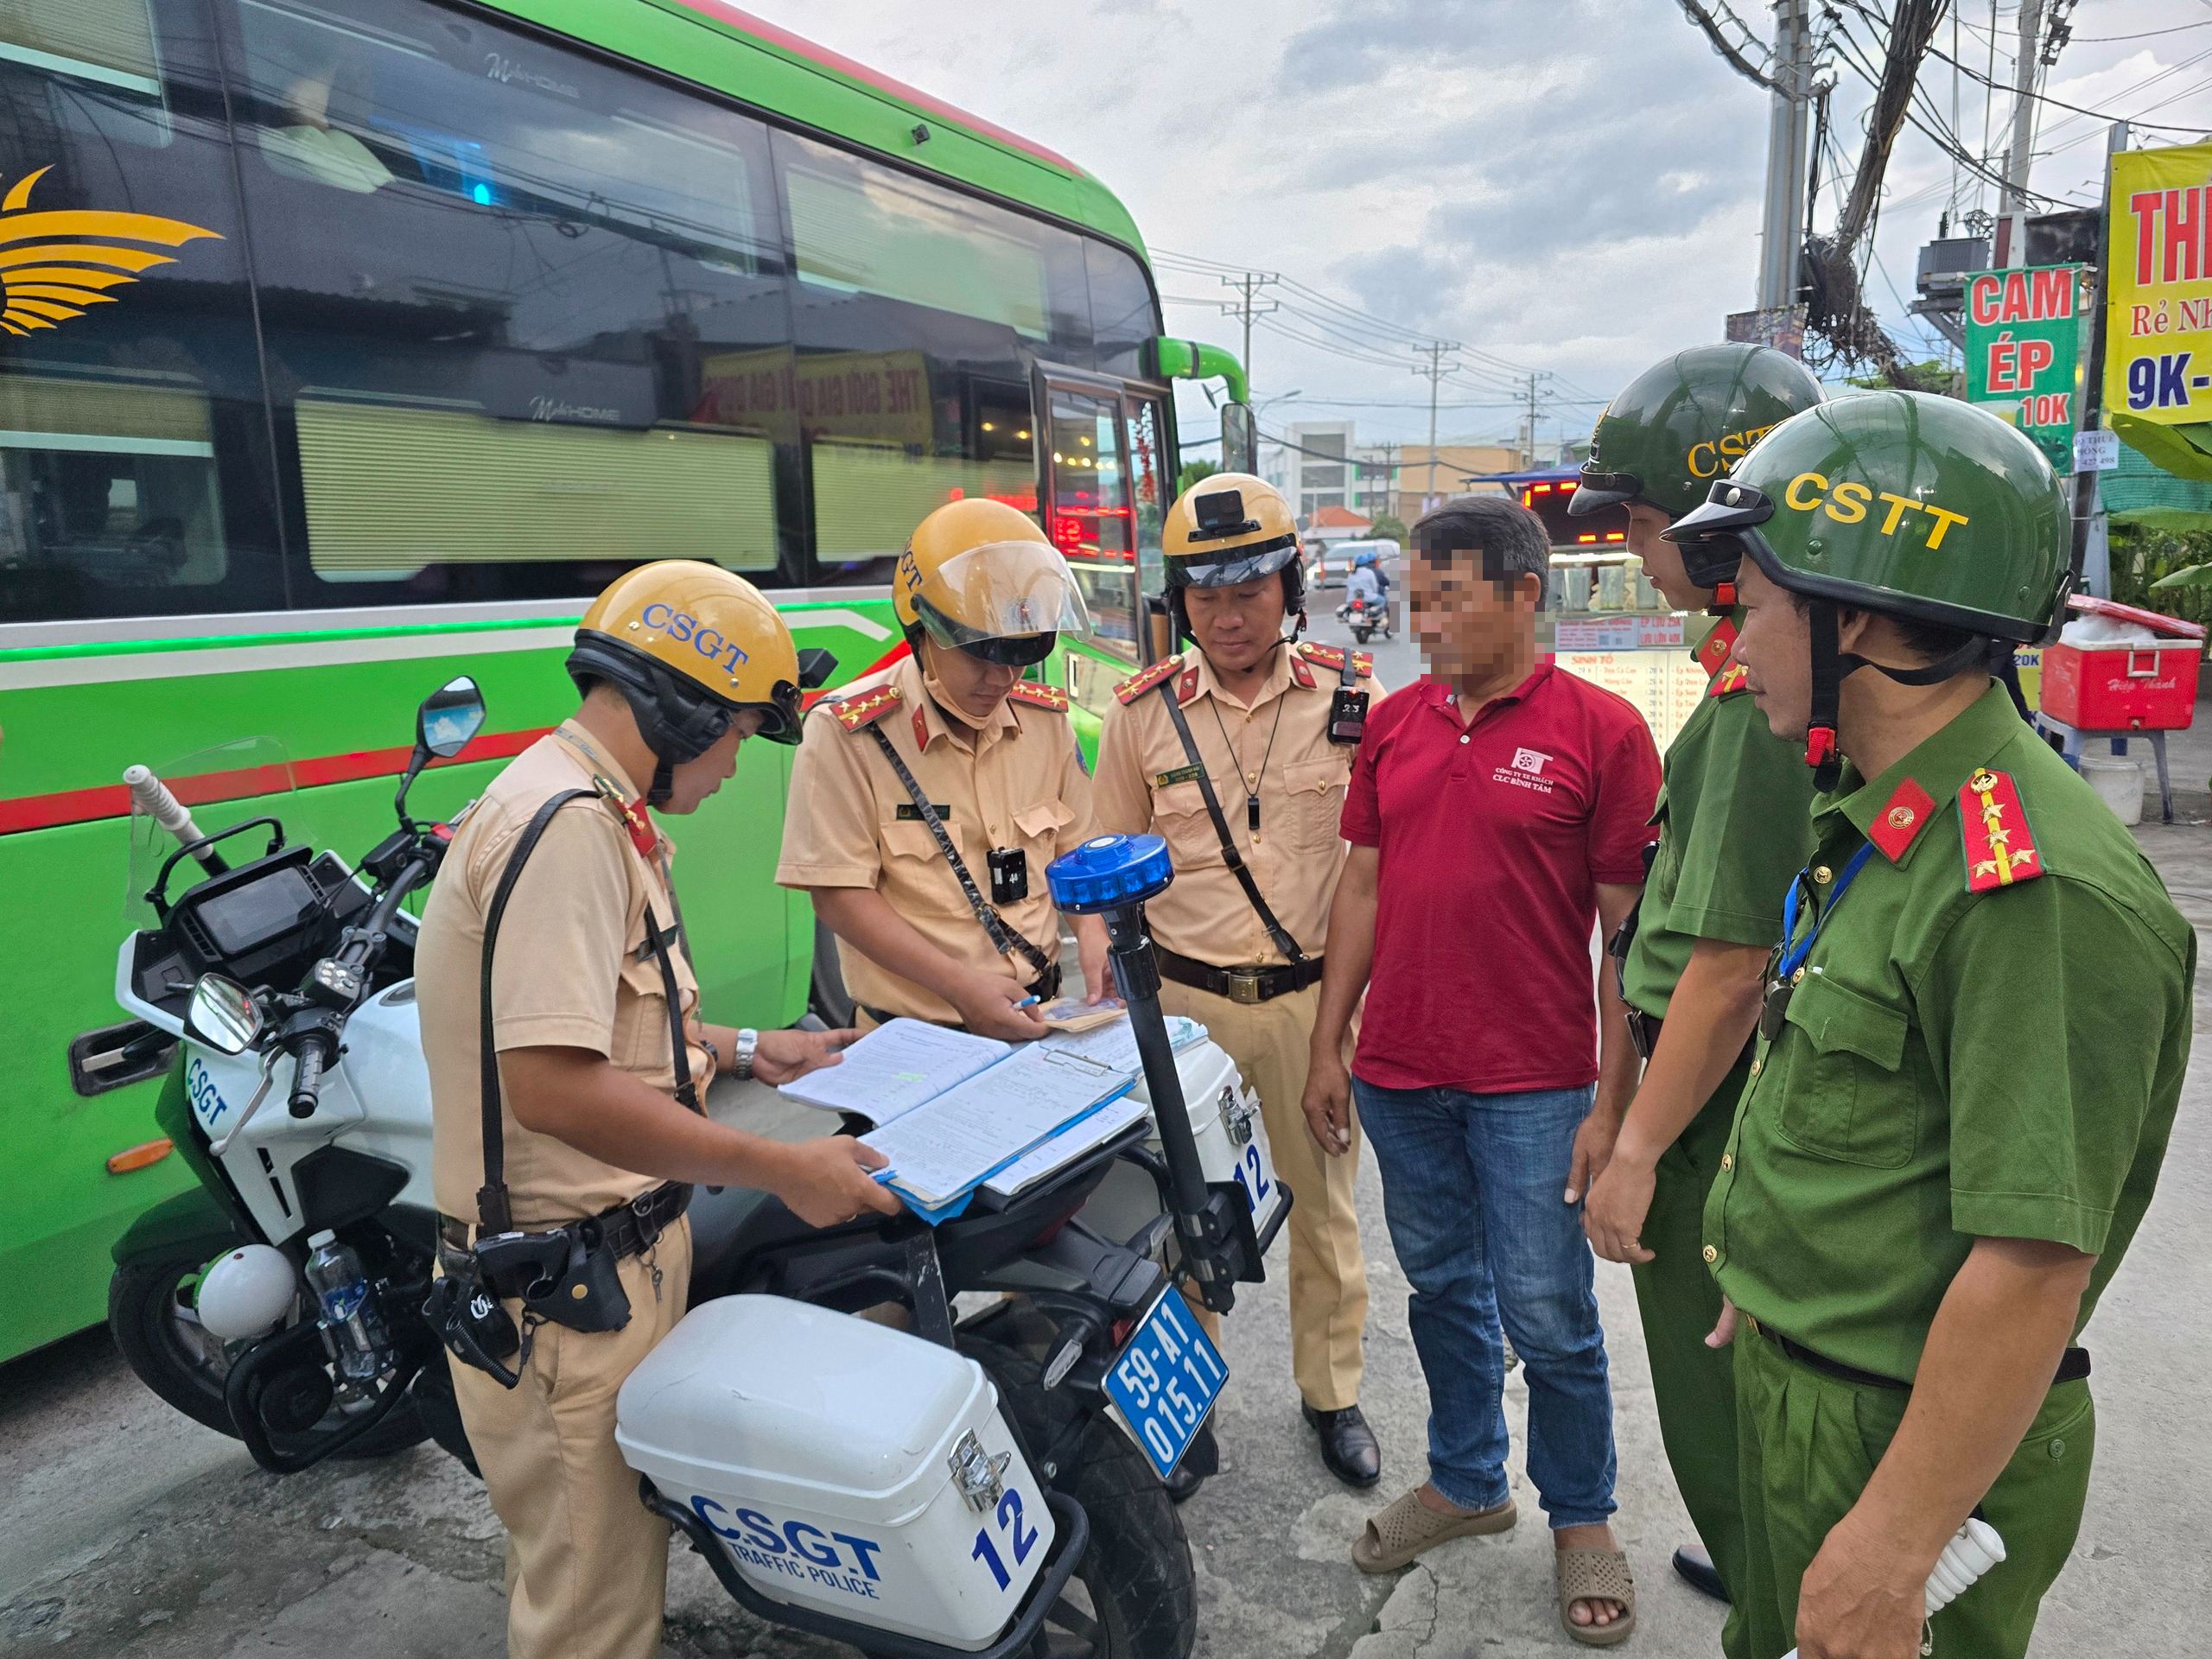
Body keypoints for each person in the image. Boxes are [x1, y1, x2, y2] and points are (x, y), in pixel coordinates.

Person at [1675, 390, 2191, 1659]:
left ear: (1855, 616)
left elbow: (2033, 1263)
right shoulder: (1888, 816)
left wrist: (1899, 1541)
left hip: (1903, 1441)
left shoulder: (2031, 887)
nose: (1732, 647)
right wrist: (1789, 1281)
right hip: (1819, 1387)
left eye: (1752, 603)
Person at [416, 561, 903, 1659]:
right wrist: (782, 1166)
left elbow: (602, 1030)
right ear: (679, 707)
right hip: (563, 1300)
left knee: (609, 1574)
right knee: (593, 1617)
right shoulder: (565, 827)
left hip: (610, 1271)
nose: (737, 762)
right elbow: (550, 1089)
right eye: (736, 731)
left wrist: (749, 1049)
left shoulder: (591, 803)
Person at [1302, 494, 1661, 1646]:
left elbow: (1630, 937)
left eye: (1449, 597)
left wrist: (1616, 1104)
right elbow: (1360, 887)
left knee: (1549, 1312)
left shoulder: (1602, 734)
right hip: (1401, 1077)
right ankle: (1466, 1481)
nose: (1427, 621)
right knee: (1442, 1291)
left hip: (1535, 1085)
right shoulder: (1398, 725)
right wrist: (1330, 1040)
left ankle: (1582, 1517)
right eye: (1416, 600)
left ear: (1522, 596)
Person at [1568, 342, 1825, 1636]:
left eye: (1642, 516)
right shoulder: (1741, 677)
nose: (1632, 541)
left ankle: (1768, 1595)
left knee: (1728, 1416)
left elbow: (1721, 971)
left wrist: (1637, 1146)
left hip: (1711, 1112)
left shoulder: (1749, 708)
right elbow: (1662, 950)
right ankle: (1759, 1561)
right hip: (1680, 1082)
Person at [1092, 472, 1381, 1491]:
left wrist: (1341, 1036)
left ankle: (1332, 1395)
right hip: (1182, 1010)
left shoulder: (1352, 700)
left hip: (1310, 1005)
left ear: (1289, 588)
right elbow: (1104, 870)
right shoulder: (1141, 717)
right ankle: (1190, 1409)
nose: (1226, 615)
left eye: (1249, 590)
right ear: (1179, 604)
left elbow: (1370, 876)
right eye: (1204, 595)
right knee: (1181, 1218)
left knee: (1324, 1213)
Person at [779, 498, 1109, 1040]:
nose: (1002, 679)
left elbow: (1076, 852)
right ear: (922, 632)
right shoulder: (848, 732)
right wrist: (960, 987)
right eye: (979, 655)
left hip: (1036, 1021)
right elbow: (837, 894)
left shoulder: (1045, 722)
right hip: (915, 1037)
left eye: (1019, 656)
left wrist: (1094, 938)